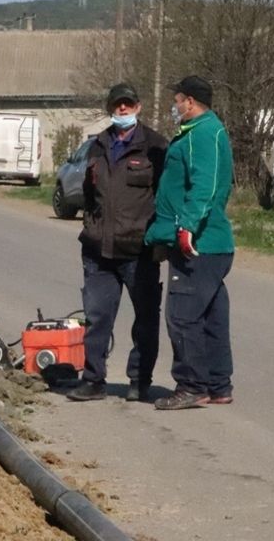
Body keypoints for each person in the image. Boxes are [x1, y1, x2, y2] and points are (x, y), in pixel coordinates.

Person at [67, 83, 168, 403]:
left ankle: (140, 380)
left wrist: (159, 236)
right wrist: (90, 225)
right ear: (111, 109)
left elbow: (166, 196)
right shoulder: (98, 145)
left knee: (146, 318)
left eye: (128, 104)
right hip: (99, 250)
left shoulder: (155, 146)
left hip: (139, 251)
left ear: (138, 107)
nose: (122, 110)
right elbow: (87, 192)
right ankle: (93, 379)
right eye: (117, 105)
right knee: (97, 318)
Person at [145, 76, 235, 410]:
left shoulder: (204, 134)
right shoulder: (194, 133)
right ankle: (217, 384)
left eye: (178, 99)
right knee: (211, 316)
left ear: (191, 102)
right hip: (206, 243)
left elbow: (205, 185)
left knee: (182, 316)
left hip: (199, 244)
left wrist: (186, 227)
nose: (175, 105)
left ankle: (192, 385)